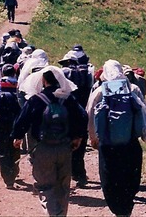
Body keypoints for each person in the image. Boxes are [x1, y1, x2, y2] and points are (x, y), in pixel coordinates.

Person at [87, 60, 146, 217]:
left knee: (110, 177)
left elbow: (90, 114)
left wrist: (93, 138)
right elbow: (145, 114)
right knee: (130, 175)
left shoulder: (99, 91)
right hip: (130, 143)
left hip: (107, 145)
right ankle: (127, 206)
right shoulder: (133, 89)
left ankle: (117, 209)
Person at [11, 66, 87, 216]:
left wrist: (17, 136)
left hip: (42, 149)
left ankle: (53, 214)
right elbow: (83, 116)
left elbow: (22, 120)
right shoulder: (67, 99)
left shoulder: (36, 100)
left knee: (46, 186)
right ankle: (61, 214)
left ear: (43, 80)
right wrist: (77, 137)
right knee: (63, 187)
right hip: (65, 148)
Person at [58, 50, 93, 187]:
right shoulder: (88, 73)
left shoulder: (64, 73)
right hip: (83, 112)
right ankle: (80, 175)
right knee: (80, 144)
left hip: (68, 112)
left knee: (65, 144)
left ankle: (67, 175)